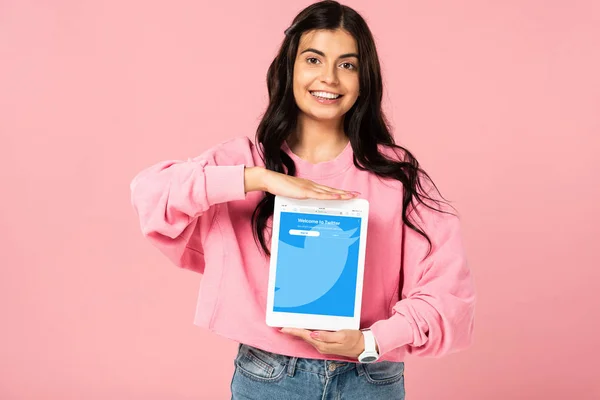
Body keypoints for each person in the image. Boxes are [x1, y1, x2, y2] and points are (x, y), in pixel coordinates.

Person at [130, 1, 475, 398]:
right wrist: (259, 179)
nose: (329, 77)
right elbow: (150, 194)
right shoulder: (244, 162)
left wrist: (370, 342)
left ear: (365, 78)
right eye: (314, 59)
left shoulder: (396, 175)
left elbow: (449, 294)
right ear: (289, 67)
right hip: (268, 378)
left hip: (370, 379)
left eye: (347, 64)